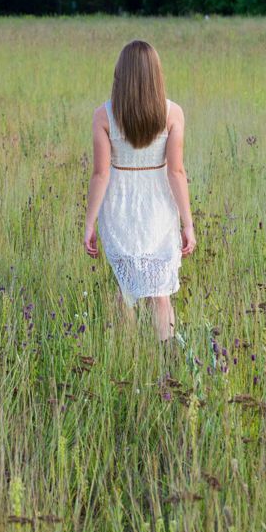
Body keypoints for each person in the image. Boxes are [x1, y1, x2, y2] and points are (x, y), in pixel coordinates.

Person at [82, 40, 196, 342]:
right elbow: (176, 172)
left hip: (118, 210)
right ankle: (166, 357)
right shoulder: (173, 113)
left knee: (126, 288)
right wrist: (188, 223)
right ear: (156, 75)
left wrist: (89, 222)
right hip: (158, 210)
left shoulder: (103, 116)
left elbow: (101, 173)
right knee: (160, 294)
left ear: (121, 75)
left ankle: (127, 356)